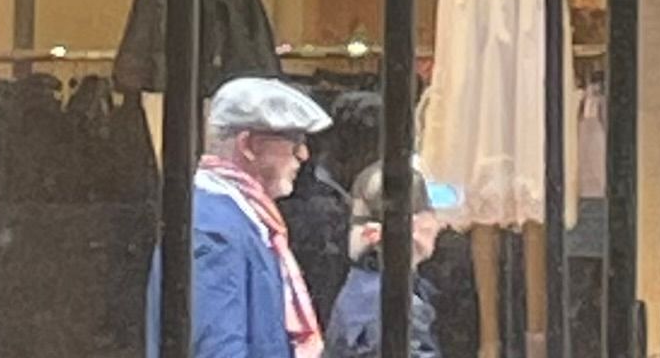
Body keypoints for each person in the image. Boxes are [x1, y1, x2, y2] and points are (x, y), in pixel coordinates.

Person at [156, 74, 333, 358]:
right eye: (293, 140)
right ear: (248, 145)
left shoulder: (233, 217)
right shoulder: (214, 227)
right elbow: (217, 350)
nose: (303, 154)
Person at [322, 164, 462, 358]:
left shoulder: (359, 286)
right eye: (432, 213)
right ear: (414, 224)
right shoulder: (402, 306)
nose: (441, 225)